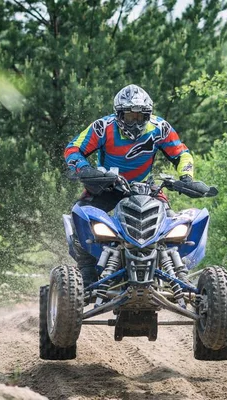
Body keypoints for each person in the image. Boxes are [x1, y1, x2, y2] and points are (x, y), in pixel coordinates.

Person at [63, 84, 194, 286]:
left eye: (140, 116)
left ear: (148, 115)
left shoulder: (160, 129)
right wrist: (84, 169)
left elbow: (181, 153)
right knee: (79, 215)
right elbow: (73, 149)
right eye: (129, 116)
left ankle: (179, 271)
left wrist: (186, 177)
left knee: (174, 226)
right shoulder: (103, 128)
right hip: (107, 186)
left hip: (146, 189)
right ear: (118, 114)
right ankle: (87, 270)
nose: (134, 122)